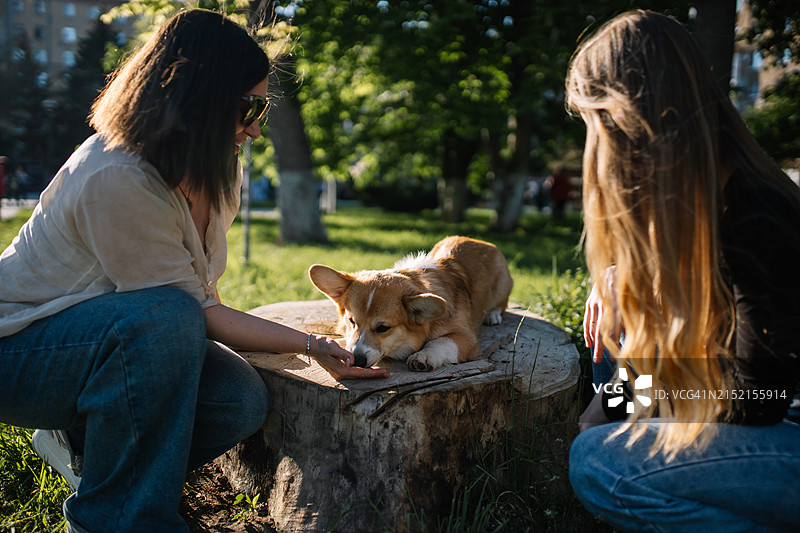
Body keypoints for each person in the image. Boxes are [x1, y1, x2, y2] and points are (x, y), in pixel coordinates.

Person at [0, 9, 388, 533]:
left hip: (101, 346)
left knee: (238, 401)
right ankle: (118, 521)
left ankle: (90, 454)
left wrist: (316, 349)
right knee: (167, 317)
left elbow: (199, 303)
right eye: (246, 107)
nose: (254, 126)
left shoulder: (215, 164)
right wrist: (314, 346)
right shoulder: (118, 175)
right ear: (193, 96)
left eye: (263, 107)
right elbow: (187, 314)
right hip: (21, 354)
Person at [565, 10, 800, 532]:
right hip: (755, 410)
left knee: (600, 464)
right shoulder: (702, 204)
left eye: (593, 123)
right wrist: (629, 280)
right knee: (618, 342)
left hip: (780, 425)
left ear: (630, 121)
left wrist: (609, 408)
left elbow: (756, 398)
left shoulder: (758, 218)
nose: (593, 147)